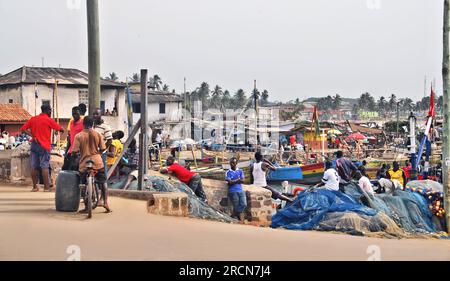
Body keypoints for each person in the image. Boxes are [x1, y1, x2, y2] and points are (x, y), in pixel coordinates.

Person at [20, 104, 64, 192]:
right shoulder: (48, 120)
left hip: (34, 144)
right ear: (47, 110)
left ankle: (35, 187)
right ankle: (46, 188)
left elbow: (23, 129)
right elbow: (61, 129)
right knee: (44, 166)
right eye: (50, 110)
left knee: (34, 166)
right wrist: (59, 131)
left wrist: (33, 135)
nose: (51, 112)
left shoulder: (33, 119)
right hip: (44, 145)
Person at [72, 116, 111, 213]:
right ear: (93, 124)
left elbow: (74, 151)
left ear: (83, 124)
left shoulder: (78, 136)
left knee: (83, 183)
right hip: (97, 162)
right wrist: (97, 152)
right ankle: (105, 202)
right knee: (103, 182)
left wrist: (76, 155)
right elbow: (103, 148)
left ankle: (86, 206)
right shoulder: (97, 134)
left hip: (84, 163)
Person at [225, 157, 247, 221]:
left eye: (233, 163)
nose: (232, 164)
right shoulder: (228, 172)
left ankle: (233, 215)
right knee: (236, 205)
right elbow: (229, 182)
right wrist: (238, 179)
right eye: (231, 163)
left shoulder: (240, 171)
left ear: (236, 163)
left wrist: (233, 181)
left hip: (240, 190)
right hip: (232, 191)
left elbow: (243, 180)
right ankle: (238, 217)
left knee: (244, 204)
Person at [63, 106, 84, 171]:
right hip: (71, 151)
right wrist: (66, 151)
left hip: (78, 152)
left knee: (75, 170)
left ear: (80, 113)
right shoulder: (71, 122)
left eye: (76, 114)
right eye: (73, 114)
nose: (74, 115)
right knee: (65, 169)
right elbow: (70, 137)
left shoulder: (83, 123)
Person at [93, 108, 113, 173]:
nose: (95, 116)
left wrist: (102, 150)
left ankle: (104, 183)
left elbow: (109, 140)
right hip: (91, 152)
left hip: (101, 153)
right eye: (94, 114)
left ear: (101, 115)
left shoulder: (106, 126)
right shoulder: (92, 125)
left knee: (102, 173)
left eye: (97, 114)